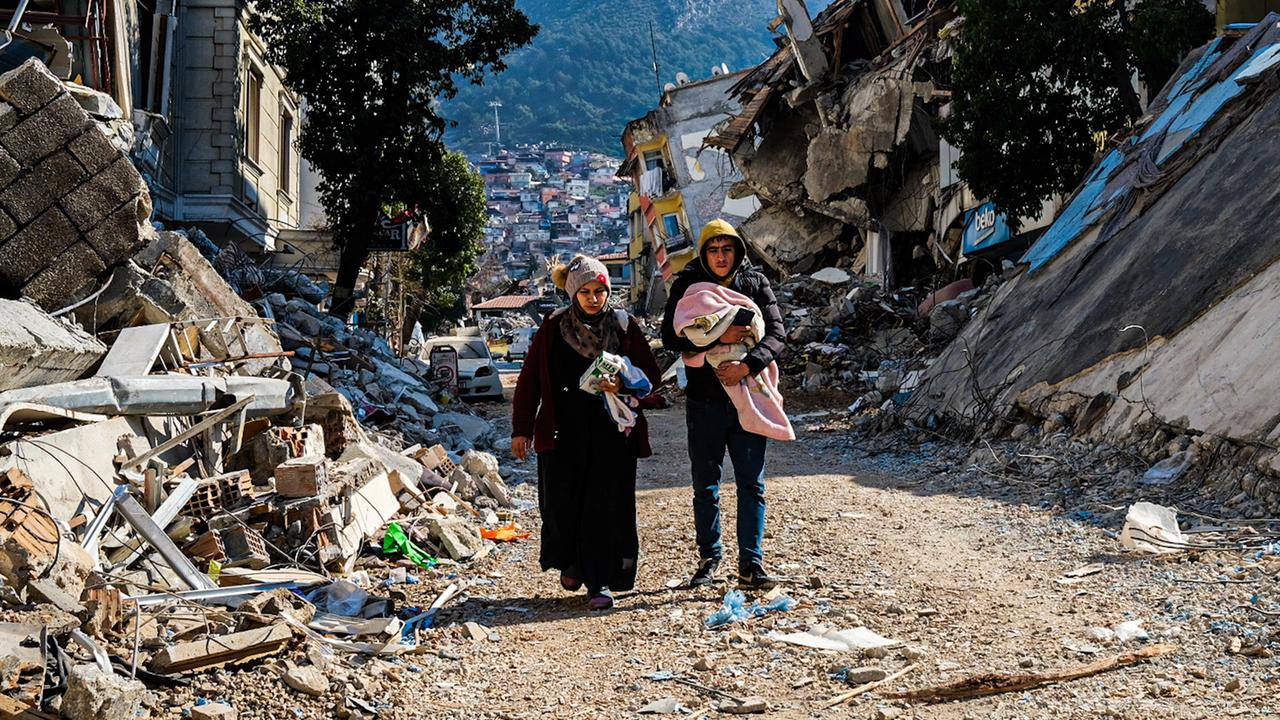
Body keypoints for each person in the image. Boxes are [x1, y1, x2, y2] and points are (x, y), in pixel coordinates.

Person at [511, 255, 661, 610]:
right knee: (561, 506)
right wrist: (522, 429)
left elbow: (651, 377)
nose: (593, 298)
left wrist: (621, 382)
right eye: (585, 292)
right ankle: (573, 563)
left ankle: (600, 581)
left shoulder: (623, 327)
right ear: (573, 294)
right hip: (562, 433)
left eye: (600, 291)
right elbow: (529, 379)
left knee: (603, 507)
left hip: (611, 434)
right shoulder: (553, 328)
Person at [661, 219, 786, 590]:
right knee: (706, 483)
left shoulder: (755, 283)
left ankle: (751, 563)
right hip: (705, 400)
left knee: (752, 483)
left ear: (738, 251)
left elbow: (777, 333)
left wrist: (746, 365)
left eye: (726, 249)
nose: (720, 257)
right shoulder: (687, 284)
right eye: (713, 250)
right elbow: (670, 335)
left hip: (748, 393)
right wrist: (717, 336)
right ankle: (709, 557)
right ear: (703, 253)